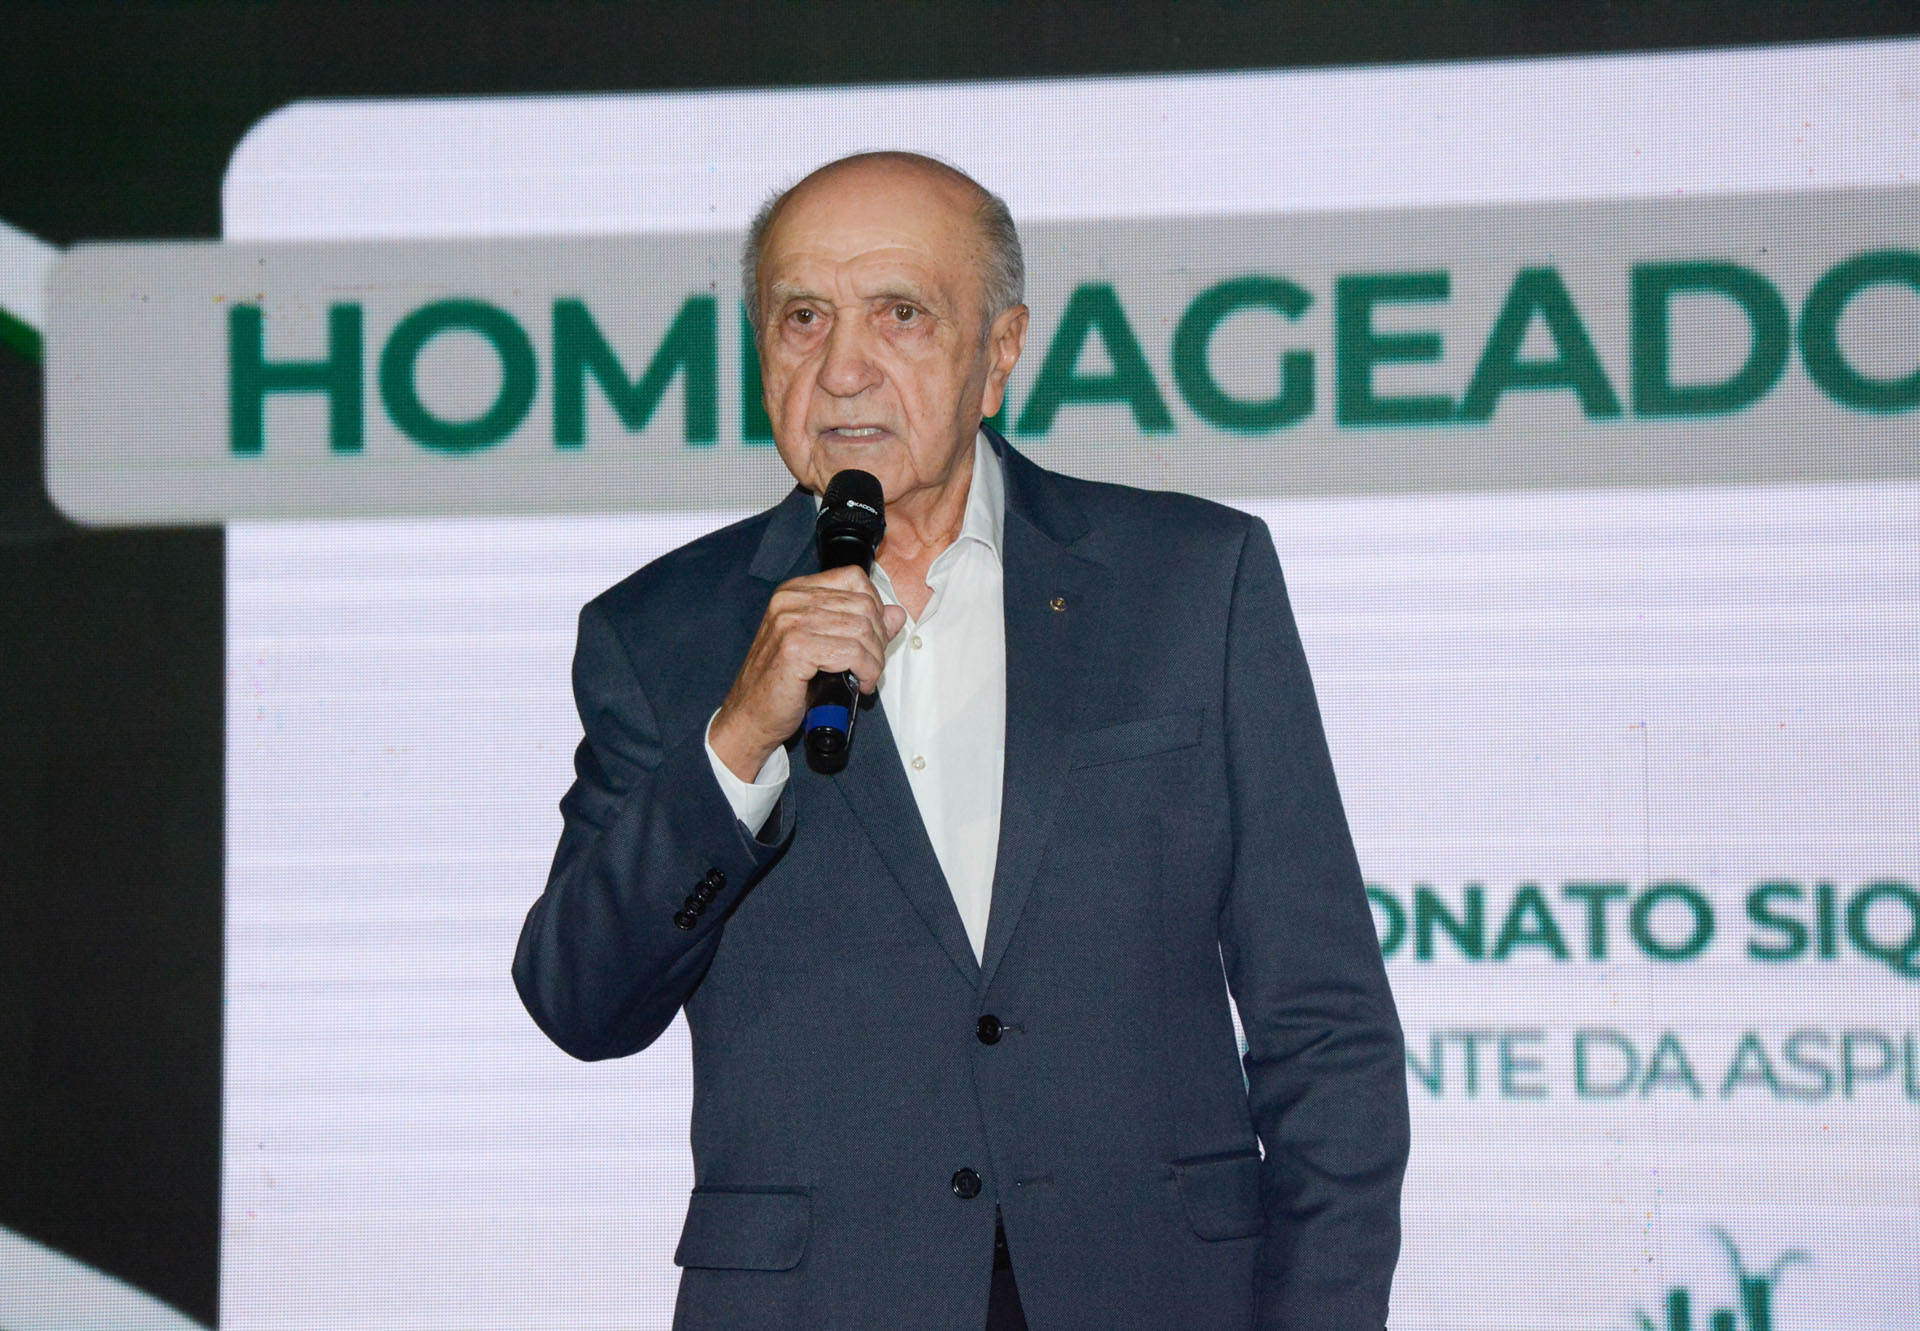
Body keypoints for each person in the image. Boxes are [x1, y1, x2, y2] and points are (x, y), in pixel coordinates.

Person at [513, 151, 1408, 1331]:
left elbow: (1325, 1027)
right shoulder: (660, 634)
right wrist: (736, 743)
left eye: (900, 313)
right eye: (802, 318)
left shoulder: (1193, 581)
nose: (843, 367)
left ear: (999, 352)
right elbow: (579, 998)